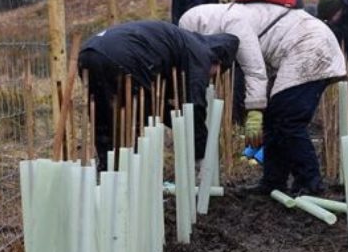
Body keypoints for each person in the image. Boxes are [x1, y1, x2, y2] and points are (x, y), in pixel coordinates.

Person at [179, 0, 347, 196]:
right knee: (275, 120)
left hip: (310, 49)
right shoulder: (236, 17)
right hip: (300, 53)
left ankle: (310, 182)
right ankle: (273, 181)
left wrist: (255, 111)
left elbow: (255, 70)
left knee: (288, 121)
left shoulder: (233, 22)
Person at [78, 21, 239, 172]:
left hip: (88, 52)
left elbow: (161, 106)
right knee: (136, 119)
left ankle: (107, 173)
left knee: (103, 117)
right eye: (214, 75)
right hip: (125, 57)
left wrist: (178, 119)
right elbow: (195, 105)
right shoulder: (201, 54)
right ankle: (129, 177)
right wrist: (201, 152)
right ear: (217, 62)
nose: (209, 79)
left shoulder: (182, 42)